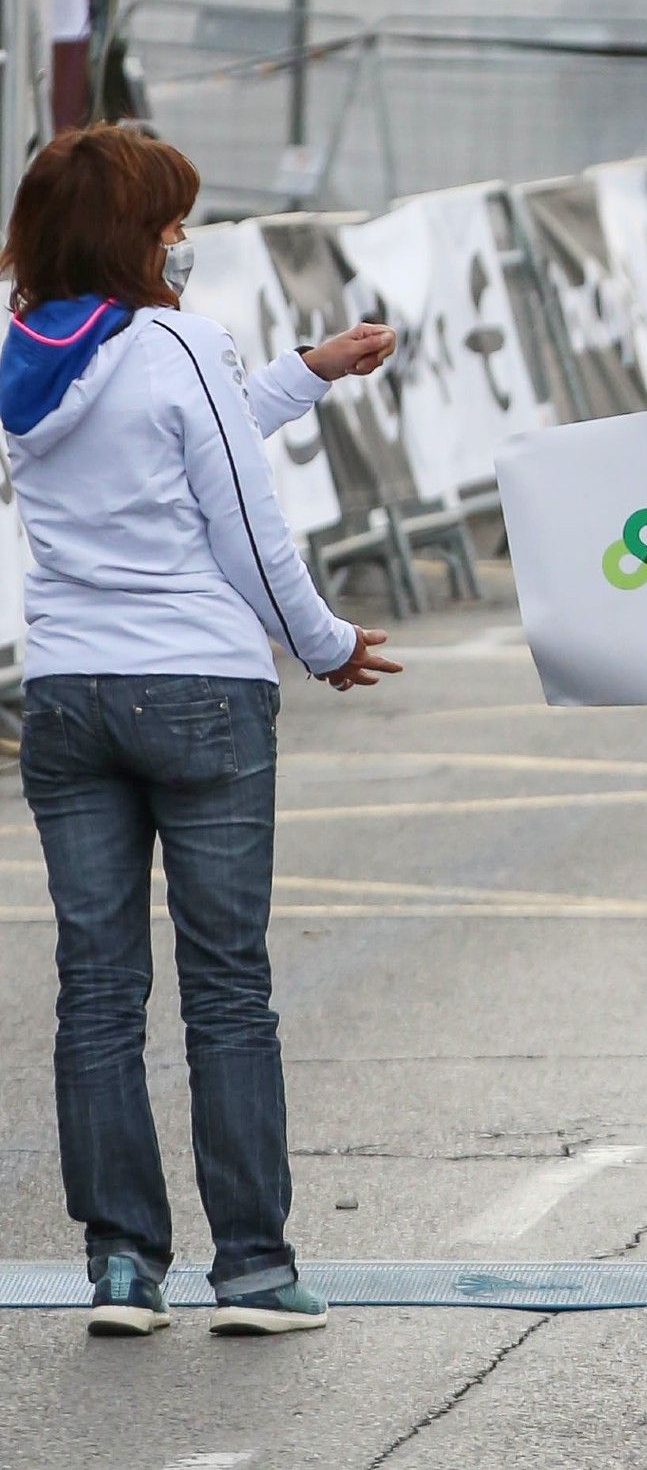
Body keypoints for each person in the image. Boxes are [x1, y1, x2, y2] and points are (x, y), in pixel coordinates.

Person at [1, 125, 403, 1339]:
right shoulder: (179, 338)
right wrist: (324, 642)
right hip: (199, 693)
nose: (185, 238)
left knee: (97, 991)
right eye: (173, 219)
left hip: (66, 696)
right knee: (227, 988)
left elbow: (174, 421)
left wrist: (308, 371)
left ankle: (121, 1266)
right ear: (139, 236)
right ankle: (253, 1270)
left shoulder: (23, 350)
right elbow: (239, 519)